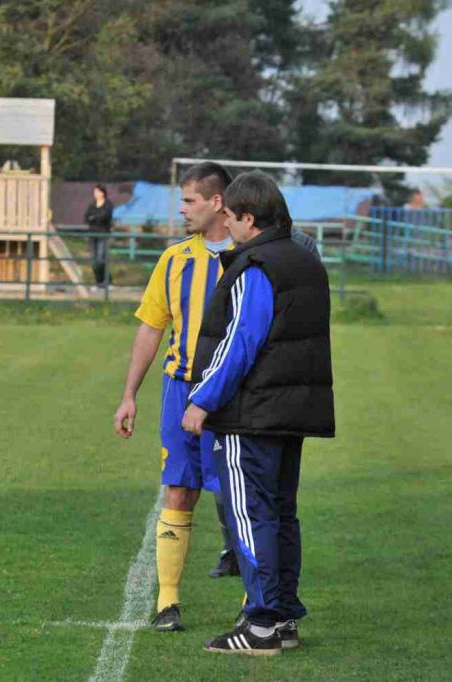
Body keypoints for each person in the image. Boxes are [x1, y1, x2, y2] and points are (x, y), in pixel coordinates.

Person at [182, 170, 335, 654]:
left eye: (230, 215)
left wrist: (202, 399)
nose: (225, 223)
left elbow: (240, 342)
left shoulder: (256, 265)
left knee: (251, 514)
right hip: (293, 412)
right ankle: (284, 618)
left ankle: (261, 623)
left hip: (253, 414)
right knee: (282, 515)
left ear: (249, 218)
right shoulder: (306, 261)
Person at [113, 163, 242, 633]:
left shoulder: (250, 257)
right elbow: (151, 328)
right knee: (179, 489)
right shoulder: (174, 260)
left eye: (189, 201)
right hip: (180, 389)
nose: (181, 209)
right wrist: (129, 394)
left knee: (239, 496)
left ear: (217, 202)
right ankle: (167, 602)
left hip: (232, 394)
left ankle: (255, 603)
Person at [84, 184, 114, 285]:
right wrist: (94, 218)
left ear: (102, 193)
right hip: (92, 234)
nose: (95, 194)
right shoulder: (92, 205)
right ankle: (99, 281)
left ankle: (107, 280)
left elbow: (105, 217)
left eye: (97, 192)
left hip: (102, 234)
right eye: (95, 192)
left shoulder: (108, 205)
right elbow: (87, 217)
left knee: (101, 259)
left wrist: (95, 217)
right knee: (93, 261)